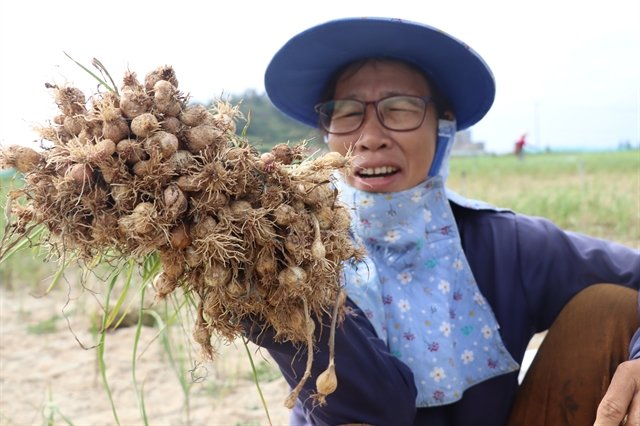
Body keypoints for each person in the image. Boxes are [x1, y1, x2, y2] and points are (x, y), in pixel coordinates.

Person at [246, 17, 640, 425]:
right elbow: (373, 409)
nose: (369, 137)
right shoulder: (293, 253)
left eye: (399, 109)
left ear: (443, 126)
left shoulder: (506, 244)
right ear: (326, 132)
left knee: (608, 308)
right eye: (346, 113)